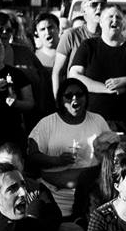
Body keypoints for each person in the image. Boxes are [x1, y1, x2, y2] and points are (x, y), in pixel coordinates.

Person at [68, 5, 126, 144]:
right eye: (110, 16)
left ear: (124, 24)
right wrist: (108, 88)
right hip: (95, 122)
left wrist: (125, 81)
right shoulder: (89, 46)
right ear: (101, 22)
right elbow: (74, 76)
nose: (115, 20)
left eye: (119, 17)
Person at [27, 77, 110, 219]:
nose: (74, 99)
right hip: (56, 197)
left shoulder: (98, 120)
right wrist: (56, 160)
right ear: (60, 99)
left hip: (91, 198)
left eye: (79, 94)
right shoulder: (47, 123)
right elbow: (32, 156)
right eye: (69, 95)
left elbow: (112, 151)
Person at [53, 0, 105, 99]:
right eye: (94, 4)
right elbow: (57, 73)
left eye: (103, 5)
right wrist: (59, 101)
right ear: (84, 11)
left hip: (101, 98)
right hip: (75, 99)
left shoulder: (109, 37)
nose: (99, 8)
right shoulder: (70, 35)